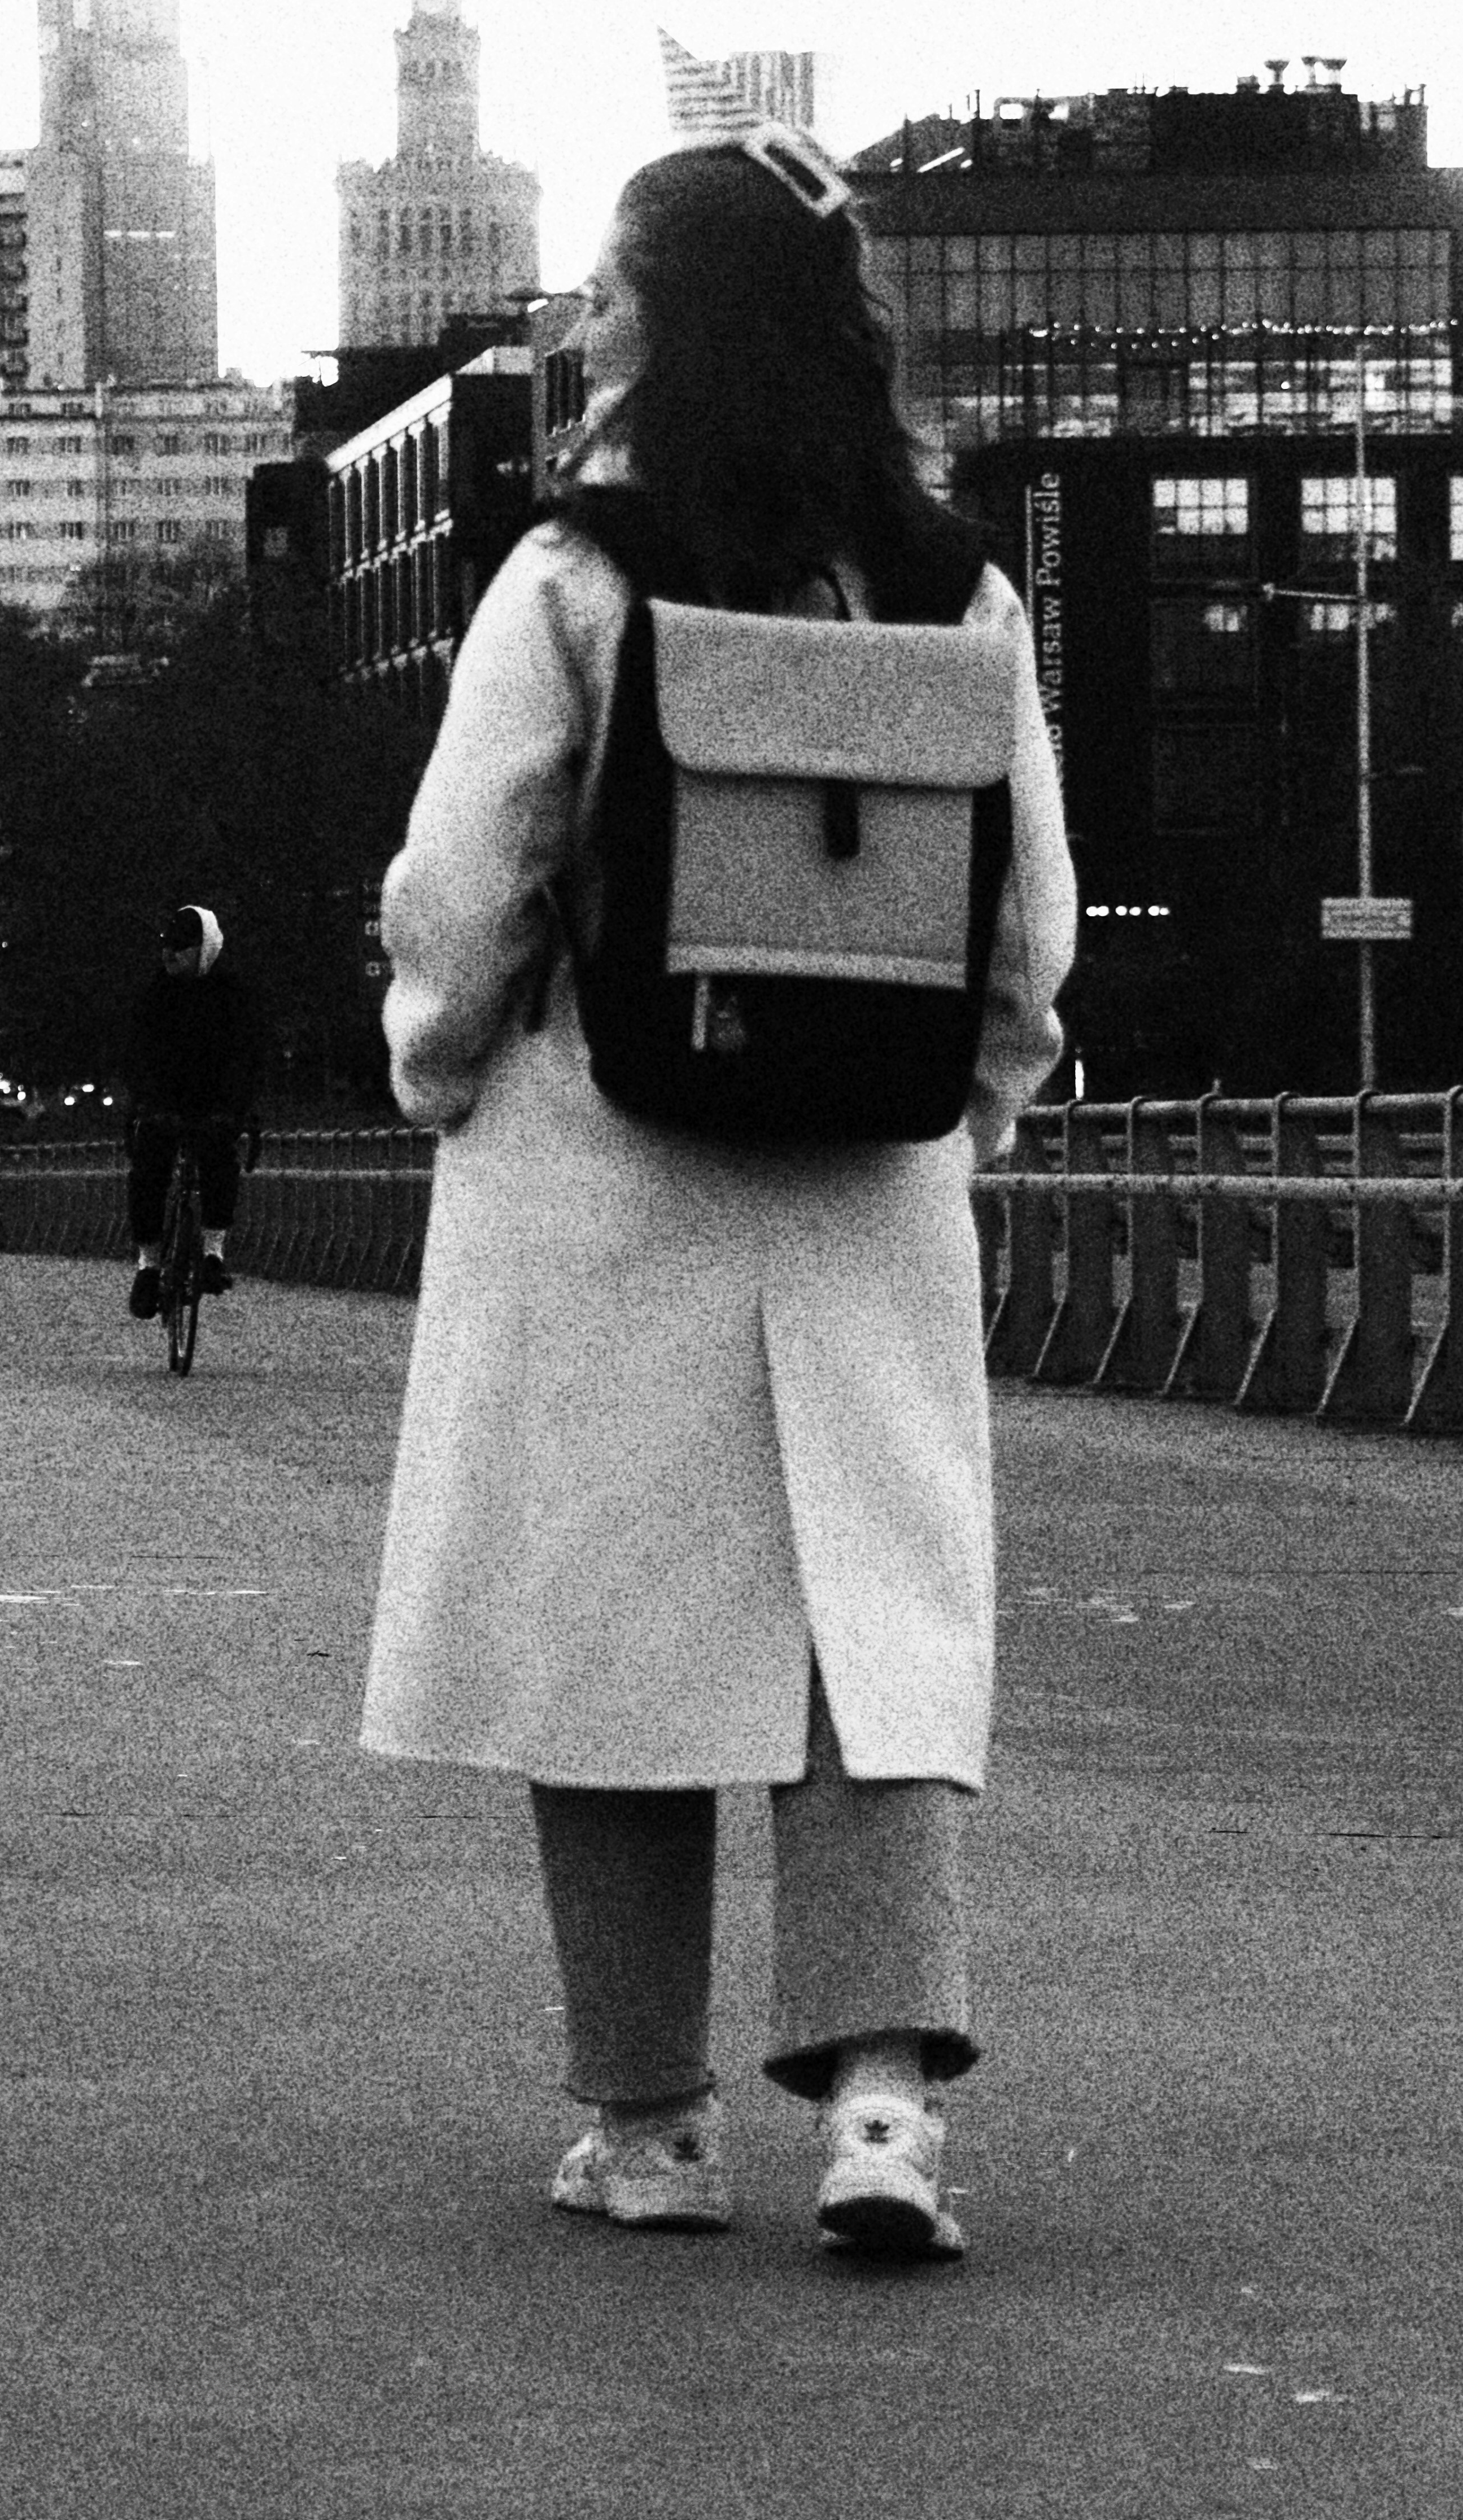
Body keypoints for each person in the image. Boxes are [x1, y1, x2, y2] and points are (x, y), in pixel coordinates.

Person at [359, 126, 1077, 2258]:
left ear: (674, 320)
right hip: (862, 1175)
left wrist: (440, 1060)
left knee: (614, 1633)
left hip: (608, 1156)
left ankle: (650, 2125)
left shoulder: (577, 578)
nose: (585, 316)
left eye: (610, 281)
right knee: (870, 1635)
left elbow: (462, 879)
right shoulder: (958, 587)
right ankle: (875, 2101)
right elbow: (1023, 928)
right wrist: (967, 1106)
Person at [122, 903, 266, 1318]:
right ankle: (148, 1266)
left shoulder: (233, 996)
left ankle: (213, 1254)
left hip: (214, 1103)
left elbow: (248, 1057)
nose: (169, 955)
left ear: (203, 950)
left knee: (220, 1162)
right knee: (148, 1173)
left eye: (180, 948)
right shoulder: (155, 994)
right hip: (163, 1102)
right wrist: (144, 1102)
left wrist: (237, 1107)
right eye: (166, 946)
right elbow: (137, 1055)